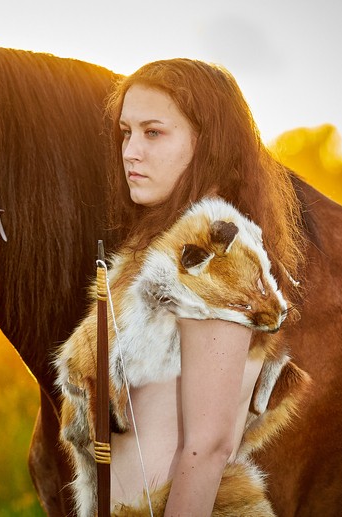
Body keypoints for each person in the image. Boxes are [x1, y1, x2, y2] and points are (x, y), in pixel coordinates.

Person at [102, 58, 305, 515]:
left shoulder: (217, 250)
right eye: (126, 132)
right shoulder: (157, 250)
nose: (131, 151)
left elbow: (209, 446)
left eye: (153, 133)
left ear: (207, 144)